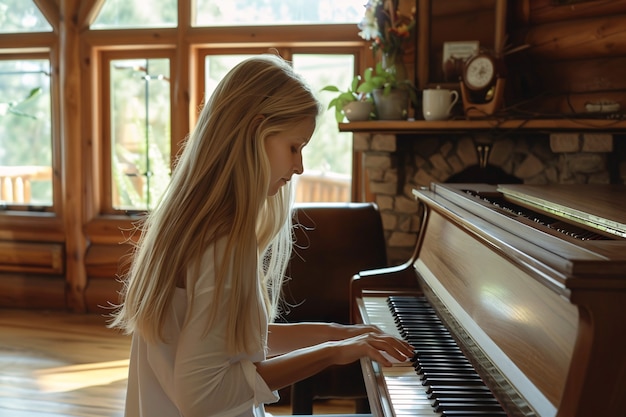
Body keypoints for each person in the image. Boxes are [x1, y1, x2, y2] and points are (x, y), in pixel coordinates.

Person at [109, 54, 414, 417]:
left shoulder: (193, 223)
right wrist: (333, 353)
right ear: (256, 131)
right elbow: (203, 396)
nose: (299, 166)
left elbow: (233, 343)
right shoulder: (223, 240)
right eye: (294, 147)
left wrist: (340, 333)